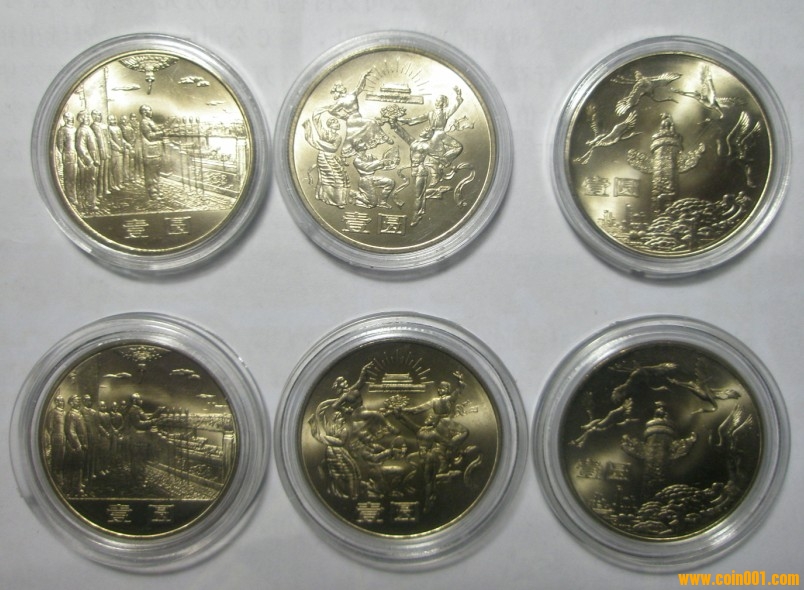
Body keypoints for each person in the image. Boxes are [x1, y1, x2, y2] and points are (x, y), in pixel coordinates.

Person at [319, 72, 392, 158]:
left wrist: (363, 77)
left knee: (353, 136)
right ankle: (385, 138)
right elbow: (331, 110)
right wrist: (343, 116)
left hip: (356, 117)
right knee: (372, 122)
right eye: (341, 87)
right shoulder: (341, 101)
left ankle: (356, 152)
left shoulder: (352, 95)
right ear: (339, 91)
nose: (343, 87)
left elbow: (360, 87)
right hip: (352, 119)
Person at [303, 113, 350, 207]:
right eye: (336, 122)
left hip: (331, 157)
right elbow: (317, 122)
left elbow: (334, 148)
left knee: (339, 176)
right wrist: (319, 112)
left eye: (337, 122)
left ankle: (339, 200)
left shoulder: (338, 137)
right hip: (323, 157)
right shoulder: (324, 133)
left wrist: (319, 142)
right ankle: (331, 199)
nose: (338, 124)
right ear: (330, 125)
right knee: (329, 177)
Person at [139, 105, 165, 199]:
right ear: (144, 112)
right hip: (150, 152)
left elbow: (156, 130)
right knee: (150, 173)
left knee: (156, 172)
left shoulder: (149, 121)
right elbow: (149, 136)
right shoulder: (144, 122)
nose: (151, 112)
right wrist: (162, 133)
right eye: (149, 110)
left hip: (155, 150)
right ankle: (152, 192)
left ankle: (156, 189)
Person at [75, 111, 99, 212]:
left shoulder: (87, 128)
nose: (88, 118)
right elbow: (80, 147)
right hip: (87, 162)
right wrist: (90, 161)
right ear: (81, 119)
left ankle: (91, 200)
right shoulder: (82, 130)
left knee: (92, 181)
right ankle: (88, 204)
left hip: (92, 160)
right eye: (86, 117)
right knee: (88, 182)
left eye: (88, 116)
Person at [55, 112, 77, 205]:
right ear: (65, 119)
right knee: (69, 178)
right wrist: (64, 156)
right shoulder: (62, 130)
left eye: (72, 117)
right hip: (68, 156)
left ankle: (74, 196)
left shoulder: (75, 129)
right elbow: (60, 146)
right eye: (68, 118)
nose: (70, 119)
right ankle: (70, 197)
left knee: (74, 177)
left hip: (76, 156)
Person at [43, 394, 66, 485]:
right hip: (56, 440)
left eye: (63, 401)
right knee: (56, 459)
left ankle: (60, 478)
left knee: (61, 459)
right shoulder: (52, 412)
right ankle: (54, 479)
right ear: (56, 402)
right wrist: (51, 440)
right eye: (60, 401)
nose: (62, 403)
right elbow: (50, 427)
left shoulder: (64, 413)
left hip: (63, 439)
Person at [90, 110, 111, 199]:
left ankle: (105, 189)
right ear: (93, 116)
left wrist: (109, 151)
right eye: (96, 115)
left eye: (99, 115)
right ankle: (99, 192)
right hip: (99, 152)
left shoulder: (104, 126)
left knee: (106, 172)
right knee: (100, 173)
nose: (98, 117)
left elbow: (108, 139)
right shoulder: (92, 127)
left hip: (106, 151)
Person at [107, 115, 127, 190]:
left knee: (119, 168)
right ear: (108, 121)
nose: (113, 121)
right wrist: (118, 148)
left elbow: (121, 138)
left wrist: (125, 144)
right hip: (114, 151)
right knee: (114, 168)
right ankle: (114, 184)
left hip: (120, 150)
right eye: (111, 119)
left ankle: (119, 183)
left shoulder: (118, 128)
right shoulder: (108, 128)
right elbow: (110, 140)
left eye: (114, 119)